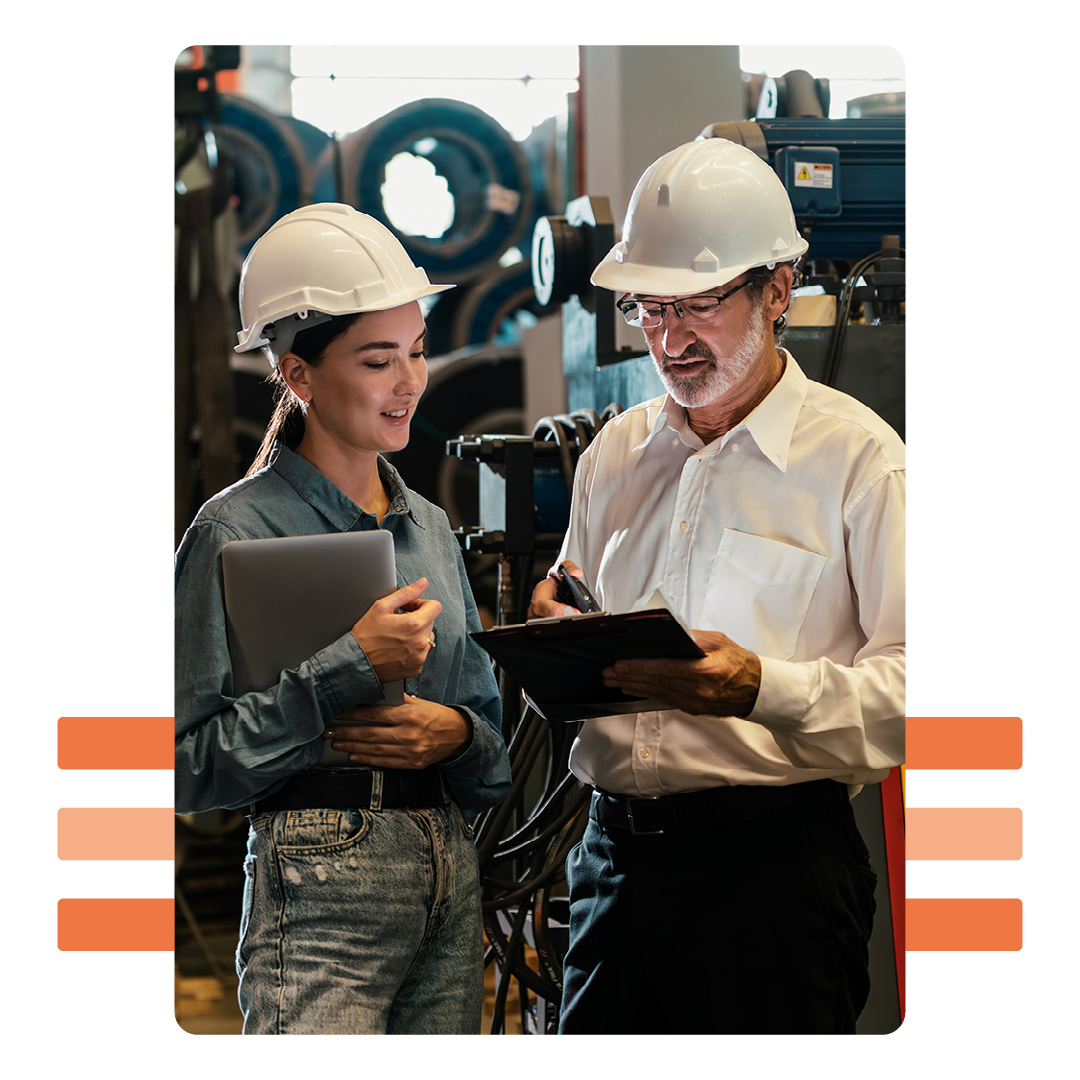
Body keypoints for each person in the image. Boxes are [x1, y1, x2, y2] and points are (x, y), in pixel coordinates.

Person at [528, 138, 905, 1035]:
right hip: (612, 863)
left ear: (777, 289)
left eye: (698, 305)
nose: (669, 340)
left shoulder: (859, 462)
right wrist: (557, 624)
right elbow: (576, 589)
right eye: (650, 309)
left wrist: (759, 687)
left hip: (773, 878)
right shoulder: (615, 454)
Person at [174, 203, 512, 1035]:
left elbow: (493, 749)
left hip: (447, 868)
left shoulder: (429, 525)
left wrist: (457, 738)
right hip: (318, 876)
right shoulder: (234, 531)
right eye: (377, 360)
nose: (410, 383)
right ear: (298, 375)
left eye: (418, 352)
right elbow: (185, 765)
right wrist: (345, 670)